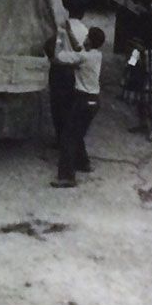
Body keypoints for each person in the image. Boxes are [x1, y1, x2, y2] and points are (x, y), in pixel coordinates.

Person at [49, 22, 105, 188]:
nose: (85, 39)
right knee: (76, 132)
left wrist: (59, 38)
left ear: (90, 41)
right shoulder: (96, 55)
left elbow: (58, 58)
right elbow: (79, 47)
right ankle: (83, 163)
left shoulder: (84, 58)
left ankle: (67, 176)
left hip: (83, 100)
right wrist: (69, 31)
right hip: (93, 100)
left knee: (68, 137)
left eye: (87, 37)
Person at [125, 38, 152, 142]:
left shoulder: (151, 54)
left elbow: (151, 69)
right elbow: (130, 64)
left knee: (149, 105)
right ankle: (142, 123)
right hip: (139, 81)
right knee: (139, 103)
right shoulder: (136, 52)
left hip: (149, 82)